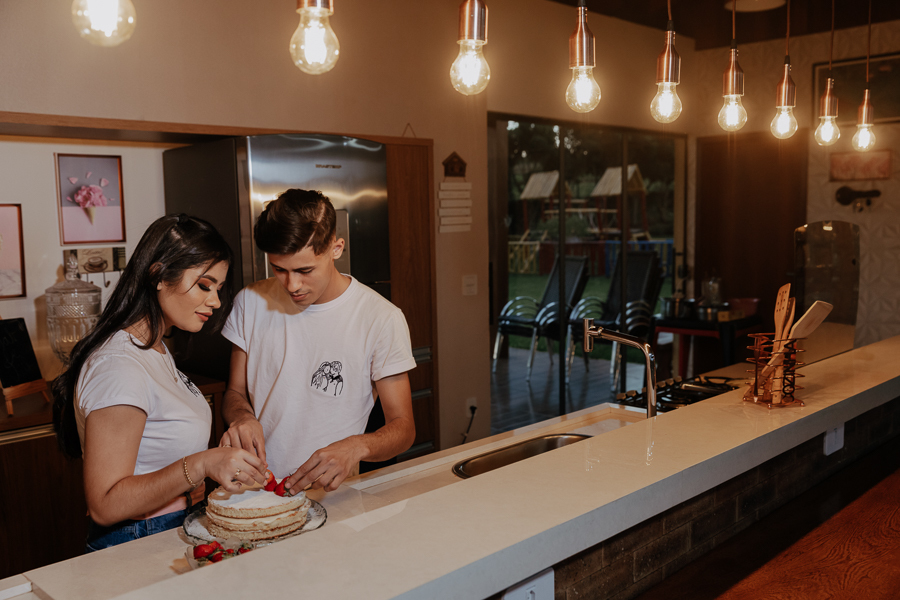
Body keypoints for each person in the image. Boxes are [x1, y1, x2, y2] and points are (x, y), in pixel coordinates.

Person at [52, 215, 267, 551]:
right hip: (137, 539)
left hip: (167, 527)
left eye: (219, 289)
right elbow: (106, 505)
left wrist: (206, 469)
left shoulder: (155, 348)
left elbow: (155, 460)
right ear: (158, 275)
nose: (215, 301)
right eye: (204, 285)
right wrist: (201, 464)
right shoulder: (119, 366)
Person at [220, 189, 416, 495]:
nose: (292, 285)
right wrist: (243, 417)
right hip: (256, 487)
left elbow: (403, 428)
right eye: (280, 269)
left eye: (304, 270)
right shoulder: (250, 302)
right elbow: (234, 392)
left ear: (336, 248)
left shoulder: (380, 318)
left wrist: (356, 447)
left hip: (332, 493)